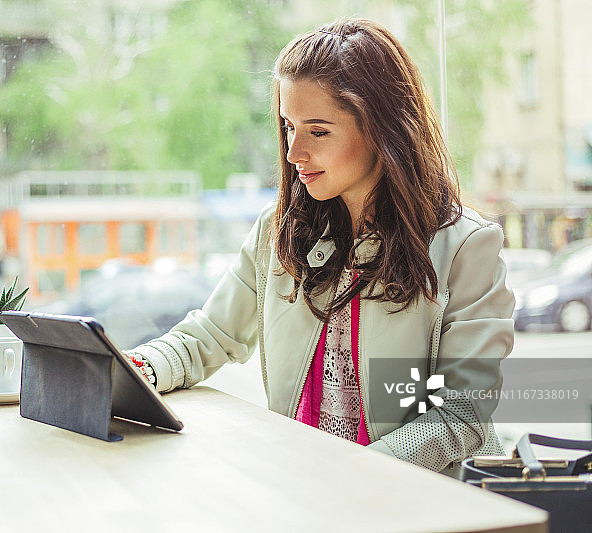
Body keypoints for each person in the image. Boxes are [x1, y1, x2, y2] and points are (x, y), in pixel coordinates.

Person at [126, 18, 514, 475]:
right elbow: (210, 337)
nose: (294, 153)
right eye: (289, 127)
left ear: (382, 129)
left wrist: (349, 474)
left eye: (318, 131)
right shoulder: (279, 231)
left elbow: (460, 415)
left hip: (409, 499)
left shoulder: (467, 246)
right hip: (302, 489)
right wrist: (138, 369)